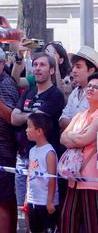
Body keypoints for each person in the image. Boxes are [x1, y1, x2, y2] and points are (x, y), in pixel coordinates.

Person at [12, 51, 65, 209]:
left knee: (44, 208)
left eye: (42, 65)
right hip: (23, 156)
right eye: (35, 65)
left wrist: (26, 115)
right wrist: (30, 115)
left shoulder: (56, 95)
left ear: (52, 70)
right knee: (25, 207)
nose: (37, 68)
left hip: (44, 159)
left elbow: (35, 119)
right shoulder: (29, 92)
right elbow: (14, 119)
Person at [0, 43, 21, 233]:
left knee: (2, 200)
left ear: (3, 63)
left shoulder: (6, 83)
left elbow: (11, 117)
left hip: (2, 150)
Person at [58, 71, 98, 231]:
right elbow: (62, 138)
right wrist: (76, 138)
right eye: (89, 85)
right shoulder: (80, 115)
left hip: (91, 180)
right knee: (67, 220)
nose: (90, 89)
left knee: (92, 224)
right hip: (73, 177)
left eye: (95, 87)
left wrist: (73, 138)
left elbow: (82, 139)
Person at [26, 111, 58, 232]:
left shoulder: (49, 152)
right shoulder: (32, 151)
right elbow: (29, 174)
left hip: (46, 202)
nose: (26, 130)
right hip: (33, 200)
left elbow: (52, 178)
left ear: (39, 131)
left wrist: (50, 201)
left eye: (29, 127)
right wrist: (26, 197)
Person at [60, 45, 98, 132]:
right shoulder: (74, 93)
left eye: (78, 66)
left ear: (91, 70)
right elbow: (62, 120)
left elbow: (92, 126)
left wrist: (71, 127)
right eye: (73, 66)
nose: (73, 70)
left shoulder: (96, 94)